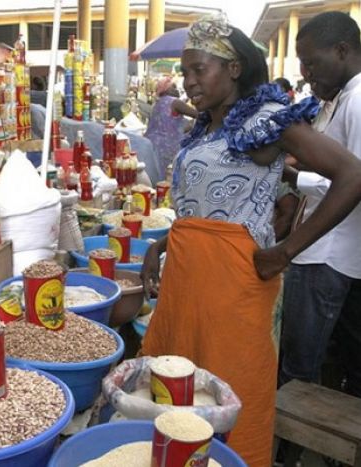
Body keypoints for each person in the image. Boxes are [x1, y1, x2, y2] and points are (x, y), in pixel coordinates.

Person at [138, 14, 361, 466]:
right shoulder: (208, 126)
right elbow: (200, 207)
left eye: (200, 70)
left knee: (228, 392)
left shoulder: (268, 120)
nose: (189, 82)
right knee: (179, 389)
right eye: (185, 72)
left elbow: (351, 175)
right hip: (187, 281)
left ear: (234, 68)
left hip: (234, 289)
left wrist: (286, 250)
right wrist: (160, 247)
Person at [279, 12, 361, 399]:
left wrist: (287, 248)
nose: (308, 74)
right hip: (319, 252)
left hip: (327, 256)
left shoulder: (358, 100)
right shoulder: (336, 100)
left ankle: (290, 449)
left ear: (342, 51)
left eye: (312, 63)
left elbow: (354, 182)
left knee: (298, 369)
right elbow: (333, 174)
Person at [143, 76, 198, 181]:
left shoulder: (156, 104)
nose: (176, 90)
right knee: (169, 178)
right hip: (168, 146)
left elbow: (168, 123)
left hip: (152, 145)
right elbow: (198, 115)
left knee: (157, 177)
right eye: (173, 87)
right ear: (166, 89)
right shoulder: (175, 102)